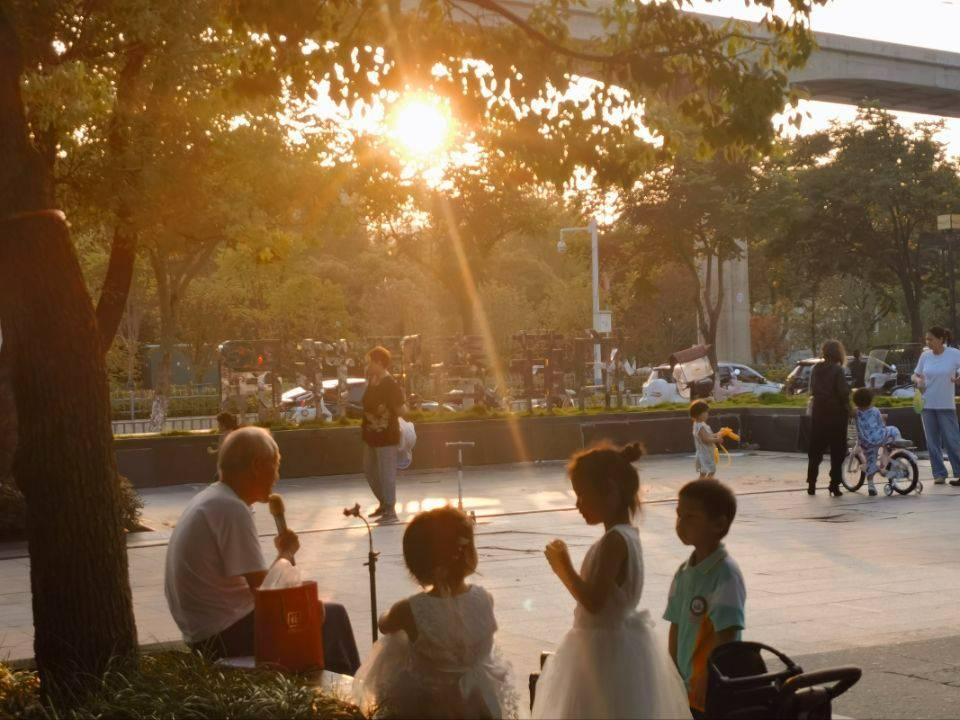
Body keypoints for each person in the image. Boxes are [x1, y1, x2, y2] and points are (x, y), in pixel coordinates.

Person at [164, 426, 361, 673]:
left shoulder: (212, 499)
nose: (277, 476)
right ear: (258, 465)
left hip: (206, 630)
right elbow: (265, 594)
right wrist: (286, 554)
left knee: (320, 612)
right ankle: (348, 701)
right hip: (225, 634)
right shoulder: (231, 509)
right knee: (332, 617)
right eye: (276, 465)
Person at [531, 442, 690, 720]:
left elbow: (593, 601)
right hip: (616, 644)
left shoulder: (614, 541)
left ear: (610, 491)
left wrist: (563, 567)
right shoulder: (627, 534)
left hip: (604, 653)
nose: (578, 504)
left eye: (583, 495)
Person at [353, 507, 516, 719]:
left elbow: (384, 625)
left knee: (397, 645)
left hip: (430, 706)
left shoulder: (409, 609)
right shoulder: (485, 599)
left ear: (416, 564)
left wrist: (387, 613)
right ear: (470, 555)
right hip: (479, 703)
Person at [665, 479, 746, 719]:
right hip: (685, 685)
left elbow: (727, 634)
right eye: (679, 515)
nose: (680, 524)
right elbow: (675, 625)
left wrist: (706, 678)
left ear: (719, 524)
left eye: (690, 517)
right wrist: (672, 673)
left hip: (713, 686)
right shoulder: (684, 572)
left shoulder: (725, 574)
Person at [362, 346, 408, 524]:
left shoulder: (390, 384)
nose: (367, 365)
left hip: (387, 436)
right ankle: (383, 503)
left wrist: (404, 409)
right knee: (370, 470)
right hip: (370, 435)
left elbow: (401, 409)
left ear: (379, 363)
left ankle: (390, 509)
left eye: (370, 362)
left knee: (386, 473)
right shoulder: (372, 381)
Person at [912, 326, 960, 486]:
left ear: (941, 339)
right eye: (927, 339)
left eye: (931, 339)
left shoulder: (954, 354)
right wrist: (918, 380)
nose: (928, 342)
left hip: (946, 405)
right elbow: (916, 374)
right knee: (932, 442)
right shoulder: (925, 355)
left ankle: (959, 473)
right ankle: (939, 474)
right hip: (927, 404)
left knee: (952, 440)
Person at [806, 339, 851, 497]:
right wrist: (850, 409)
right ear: (838, 353)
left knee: (815, 451)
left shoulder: (815, 369)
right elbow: (843, 393)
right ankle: (834, 485)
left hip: (819, 413)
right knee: (838, 452)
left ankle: (811, 484)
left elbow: (812, 390)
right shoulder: (838, 370)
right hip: (836, 415)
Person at [853, 388, 904, 496]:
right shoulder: (875, 410)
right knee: (893, 429)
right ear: (871, 400)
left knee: (870, 462)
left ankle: (871, 486)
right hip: (878, 437)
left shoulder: (856, 413)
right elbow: (881, 426)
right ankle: (892, 447)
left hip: (866, 443)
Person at [690, 401, 722, 480]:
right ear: (698, 414)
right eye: (705, 412)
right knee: (711, 471)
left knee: (704, 473)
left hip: (705, 453)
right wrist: (717, 439)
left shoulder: (700, 424)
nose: (707, 414)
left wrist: (717, 434)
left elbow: (708, 435)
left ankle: (701, 487)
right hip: (705, 455)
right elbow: (706, 439)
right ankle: (705, 486)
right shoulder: (700, 426)